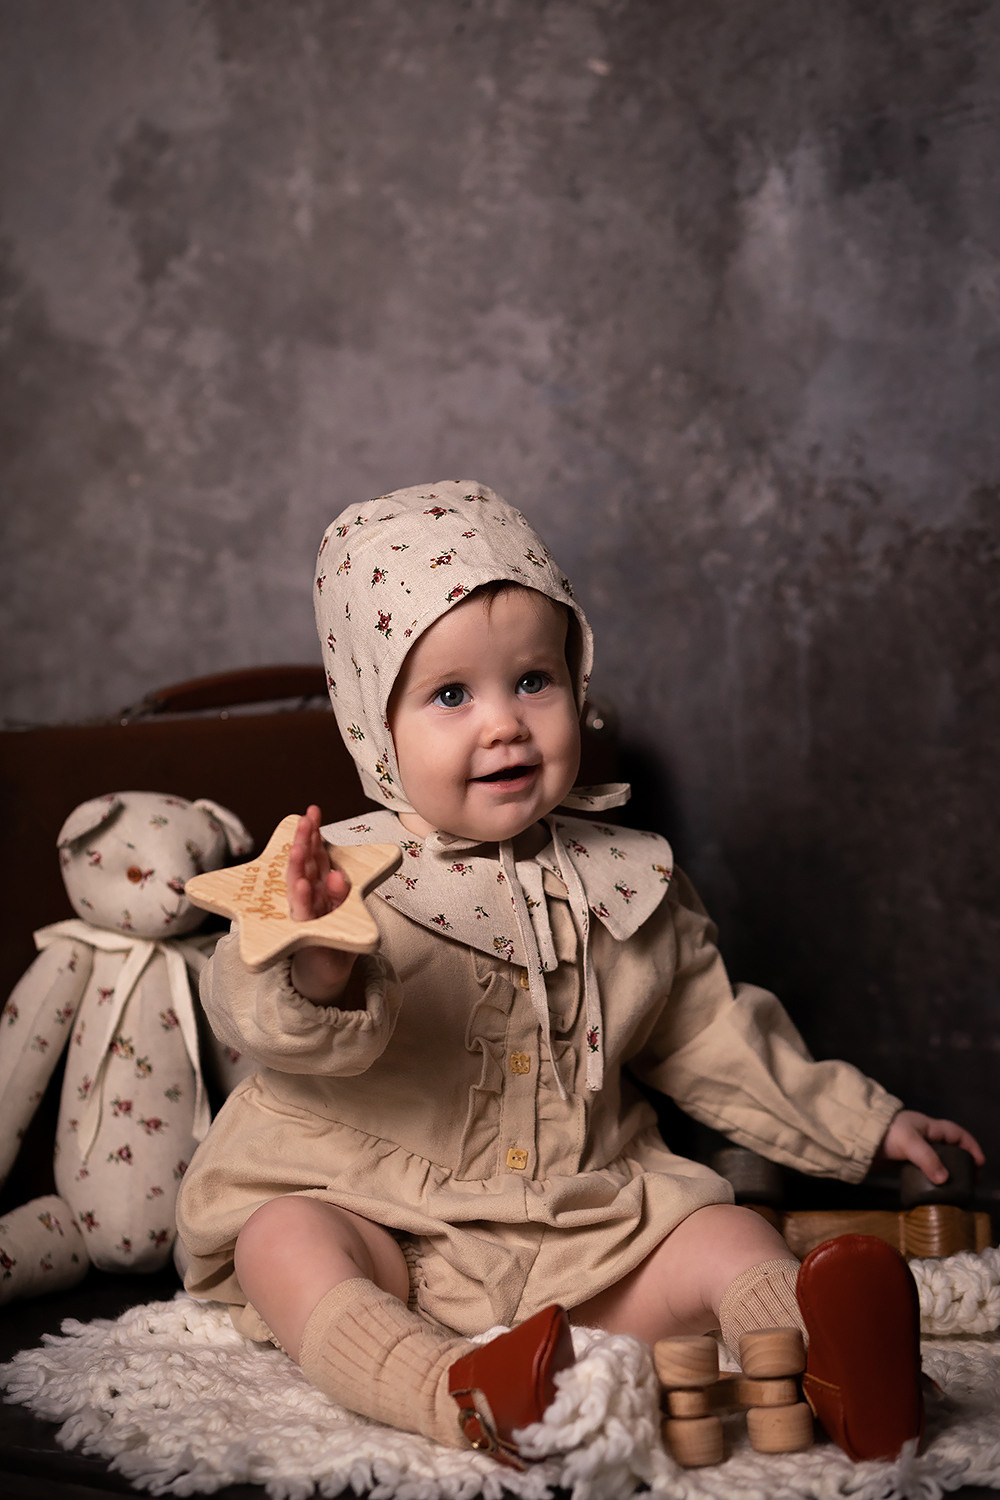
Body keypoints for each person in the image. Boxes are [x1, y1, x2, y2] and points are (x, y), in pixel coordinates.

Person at [176, 481, 984, 1467]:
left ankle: (835, 1360)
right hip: (382, 1218)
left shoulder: (631, 879)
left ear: (576, 681)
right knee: (283, 1241)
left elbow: (713, 1037)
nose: (505, 724)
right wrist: (312, 957)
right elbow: (252, 1018)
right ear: (370, 731)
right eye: (448, 695)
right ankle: (443, 1387)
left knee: (723, 1238)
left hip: (583, 1228)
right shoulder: (337, 878)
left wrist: (863, 1124)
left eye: (532, 681)